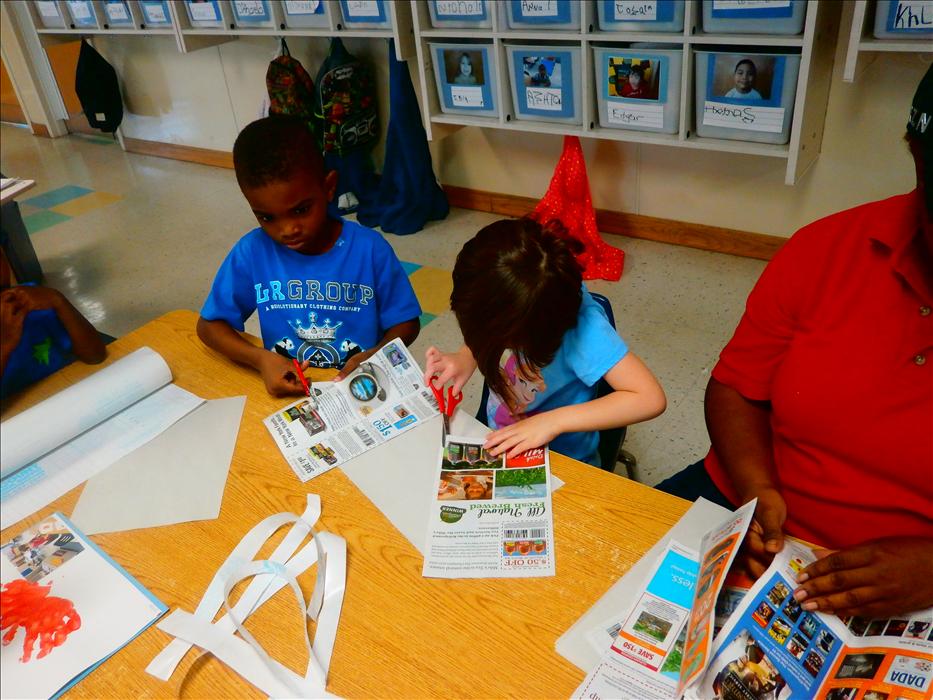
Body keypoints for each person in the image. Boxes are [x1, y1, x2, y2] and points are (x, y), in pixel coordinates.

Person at [657, 66, 933, 619]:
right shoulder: (826, 249)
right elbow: (736, 387)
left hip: (910, 582)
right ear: (914, 154)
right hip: (748, 509)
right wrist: (755, 489)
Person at [197, 115, 421, 397]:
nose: (287, 230)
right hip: (286, 389)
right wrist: (261, 359)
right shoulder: (252, 252)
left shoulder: (369, 249)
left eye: (301, 210)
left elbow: (406, 323)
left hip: (359, 387)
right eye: (266, 217)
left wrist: (376, 355)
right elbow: (209, 327)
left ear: (328, 188)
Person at [424, 218, 666, 467]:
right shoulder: (522, 295)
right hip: (501, 438)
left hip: (564, 461)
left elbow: (650, 398)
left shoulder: (583, 329)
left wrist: (552, 422)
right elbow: (488, 325)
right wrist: (466, 355)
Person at [0, 249, 106, 399]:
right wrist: (4, 346)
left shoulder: (32, 301)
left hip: (74, 391)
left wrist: (58, 301)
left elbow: (96, 356)